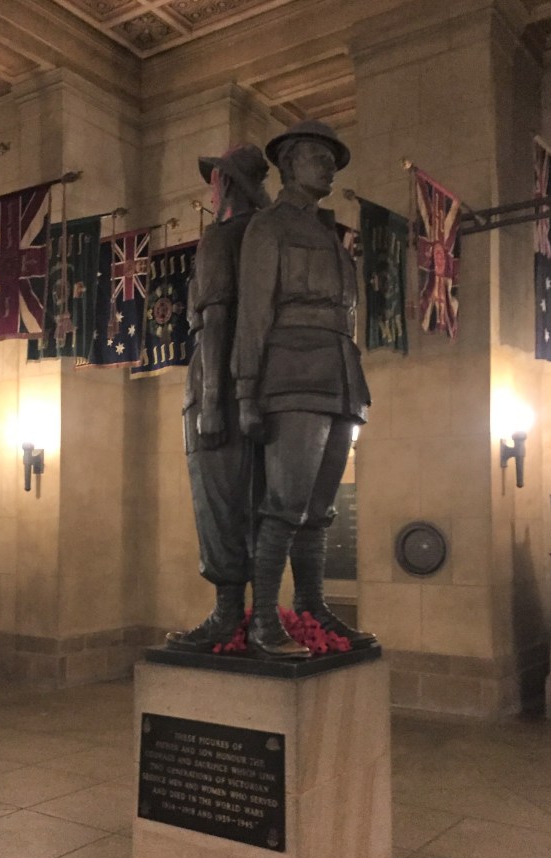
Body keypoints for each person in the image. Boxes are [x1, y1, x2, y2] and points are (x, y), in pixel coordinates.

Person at [231, 120, 377, 658]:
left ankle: (311, 605)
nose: (329, 167)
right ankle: (265, 617)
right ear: (289, 164)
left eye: (332, 160)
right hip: (292, 376)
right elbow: (253, 314)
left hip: (339, 377)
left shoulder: (328, 236)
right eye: (319, 157)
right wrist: (248, 390)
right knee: (285, 503)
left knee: (320, 508)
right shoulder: (269, 228)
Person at [166, 144, 271, 651]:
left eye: (214, 181)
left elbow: (214, 319)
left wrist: (209, 402)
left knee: (220, 503)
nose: (211, 190)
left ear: (226, 186)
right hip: (265, 394)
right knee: (260, 507)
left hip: (219, 393)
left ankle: (229, 613)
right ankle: (262, 611)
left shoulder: (221, 238)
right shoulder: (271, 241)